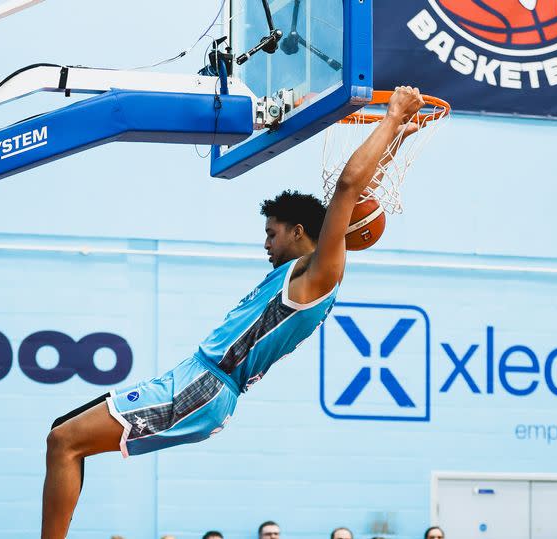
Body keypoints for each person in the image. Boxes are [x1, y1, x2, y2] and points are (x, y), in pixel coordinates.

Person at [39, 87, 426, 539]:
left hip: (205, 386)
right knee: (61, 435)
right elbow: (360, 189)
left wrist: (393, 112)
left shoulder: (319, 276)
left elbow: (348, 188)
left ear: (298, 232)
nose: (265, 244)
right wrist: (394, 133)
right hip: (195, 377)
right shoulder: (296, 270)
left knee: (64, 443)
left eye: (272, 233)